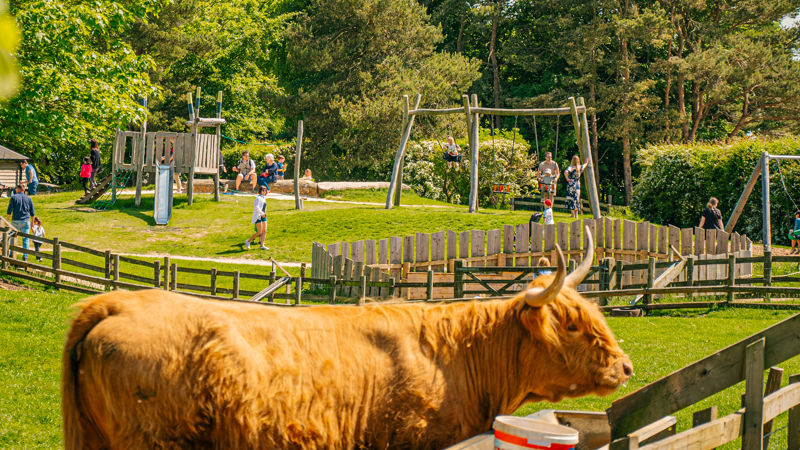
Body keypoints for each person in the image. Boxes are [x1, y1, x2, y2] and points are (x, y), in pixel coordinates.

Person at [6, 184, 34, 261]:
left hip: (15, 221)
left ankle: (12, 254)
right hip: (25, 221)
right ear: (24, 190)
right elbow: (32, 213)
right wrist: (32, 224)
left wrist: (7, 221)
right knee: (25, 240)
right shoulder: (29, 199)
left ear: (17, 189)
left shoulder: (13, 197)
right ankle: (25, 256)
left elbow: (9, 211)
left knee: (12, 238)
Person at [245, 185, 269, 250]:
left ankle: (262, 245)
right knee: (259, 232)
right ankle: (248, 241)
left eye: (266, 190)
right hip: (258, 216)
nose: (265, 192)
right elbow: (256, 207)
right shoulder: (258, 198)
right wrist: (262, 214)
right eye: (264, 190)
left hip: (264, 215)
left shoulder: (263, 198)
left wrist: (264, 214)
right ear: (261, 191)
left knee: (264, 230)